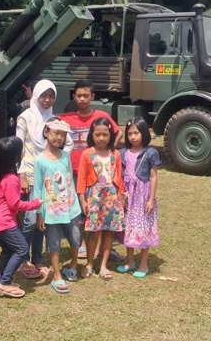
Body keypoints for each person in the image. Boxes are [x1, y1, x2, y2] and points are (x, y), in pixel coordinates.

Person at [60, 79, 123, 260]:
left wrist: (110, 150)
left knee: (102, 209)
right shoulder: (67, 118)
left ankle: (103, 248)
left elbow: (118, 132)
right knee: (79, 210)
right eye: (78, 95)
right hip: (74, 172)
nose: (82, 99)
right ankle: (81, 245)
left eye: (86, 95)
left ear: (92, 97)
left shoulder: (100, 115)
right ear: (74, 97)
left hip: (98, 175)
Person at [15, 79, 73, 279]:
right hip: (30, 174)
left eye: (51, 96)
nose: (47, 100)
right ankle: (22, 258)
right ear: (36, 95)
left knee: (42, 220)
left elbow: (70, 142)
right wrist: (22, 173)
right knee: (31, 220)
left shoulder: (55, 120)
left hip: (50, 177)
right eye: (43, 96)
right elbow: (19, 146)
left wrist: (59, 159)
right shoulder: (25, 117)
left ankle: (38, 259)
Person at [0, 136, 43, 298]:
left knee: (8, 250)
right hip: (4, 221)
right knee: (21, 248)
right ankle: (5, 282)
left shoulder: (2, 174)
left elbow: (6, 197)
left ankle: (1, 281)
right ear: (16, 157)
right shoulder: (11, 178)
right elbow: (15, 205)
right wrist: (35, 204)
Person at [33, 117, 82, 293]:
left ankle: (74, 265)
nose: (59, 138)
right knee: (53, 243)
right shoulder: (39, 160)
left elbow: (69, 182)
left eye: (62, 135)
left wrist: (76, 203)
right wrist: (39, 213)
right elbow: (38, 189)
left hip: (71, 208)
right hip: (51, 212)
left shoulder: (66, 156)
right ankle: (56, 275)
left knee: (75, 237)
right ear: (46, 132)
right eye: (56, 133)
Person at [77, 117, 125, 281]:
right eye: (98, 134)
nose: (101, 138)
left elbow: (119, 178)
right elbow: (82, 179)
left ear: (111, 135)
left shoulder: (115, 154)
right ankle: (90, 263)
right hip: (94, 197)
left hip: (112, 197)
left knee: (109, 232)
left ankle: (103, 265)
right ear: (92, 135)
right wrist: (83, 200)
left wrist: (122, 197)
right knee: (93, 233)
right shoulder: (87, 154)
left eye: (105, 134)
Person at [116, 116, 161, 278]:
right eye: (129, 133)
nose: (133, 137)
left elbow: (153, 177)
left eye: (136, 133)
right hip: (128, 196)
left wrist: (150, 199)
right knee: (129, 228)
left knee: (142, 228)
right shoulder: (123, 153)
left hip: (142, 197)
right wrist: (121, 196)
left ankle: (143, 264)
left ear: (144, 133)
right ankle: (129, 261)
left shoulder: (150, 153)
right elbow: (120, 177)